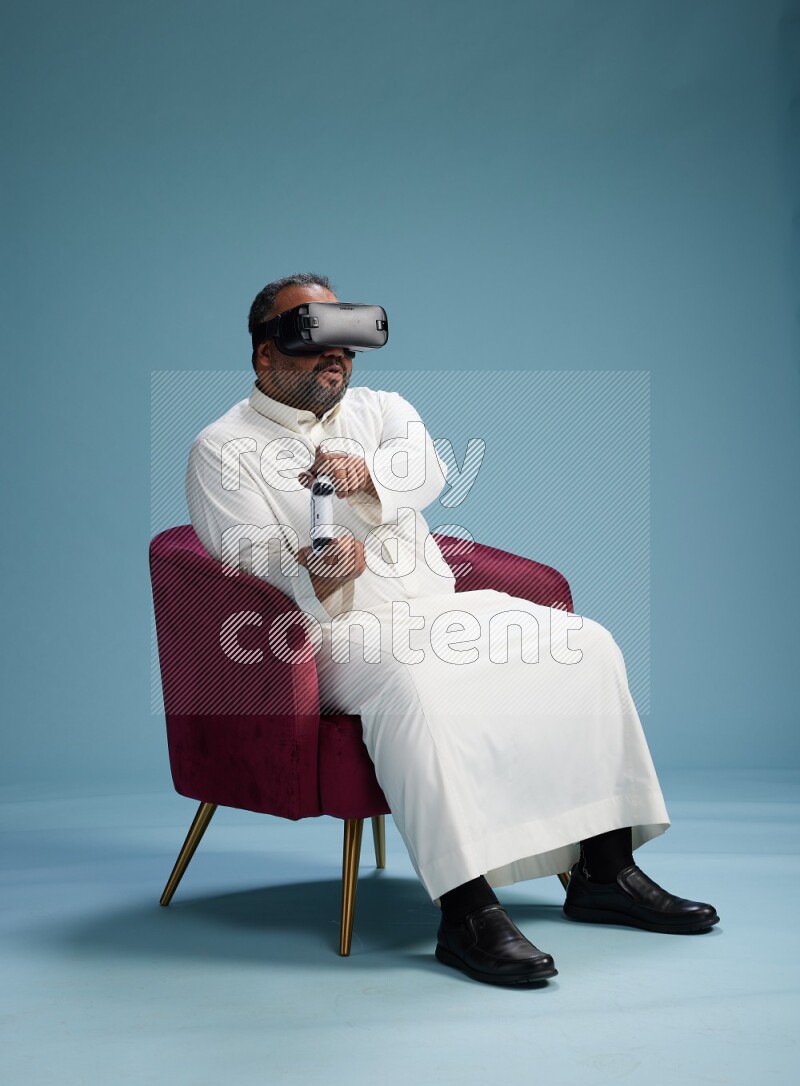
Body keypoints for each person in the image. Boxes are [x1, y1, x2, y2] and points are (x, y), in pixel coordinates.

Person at [185, 272, 719, 987]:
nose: (334, 357)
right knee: (414, 679)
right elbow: (240, 554)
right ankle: (467, 912)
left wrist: (367, 476)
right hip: (332, 634)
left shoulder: (383, 410)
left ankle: (604, 867)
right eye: (313, 342)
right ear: (263, 356)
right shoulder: (221, 448)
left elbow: (428, 469)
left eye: (344, 341)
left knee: (585, 644)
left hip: (437, 607)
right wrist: (312, 569)